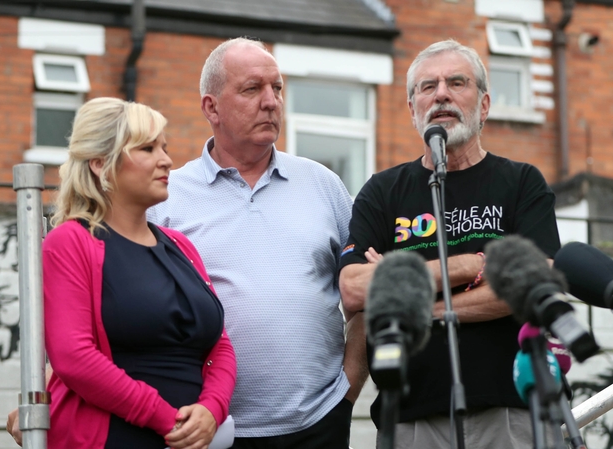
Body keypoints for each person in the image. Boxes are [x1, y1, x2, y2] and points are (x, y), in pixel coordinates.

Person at [338, 39, 561, 448]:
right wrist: (470, 267)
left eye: (456, 82)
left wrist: (414, 302)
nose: (441, 94)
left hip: (509, 412)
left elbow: (532, 286)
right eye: (427, 87)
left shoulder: (521, 183)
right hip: (410, 416)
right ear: (412, 109)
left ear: (485, 104)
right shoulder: (383, 192)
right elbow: (354, 288)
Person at [146, 37, 367, 448]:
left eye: (277, 88)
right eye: (252, 89)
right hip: (207, 430)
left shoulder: (324, 185)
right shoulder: (165, 197)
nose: (271, 102)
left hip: (318, 425)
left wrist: (347, 390)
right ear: (211, 107)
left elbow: (366, 290)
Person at [37, 97, 236, 449]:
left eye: (164, 146)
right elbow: (74, 357)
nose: (167, 160)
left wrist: (212, 408)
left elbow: (220, 343)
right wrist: (166, 419)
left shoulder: (180, 245)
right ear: (100, 163)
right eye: (147, 148)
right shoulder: (70, 241)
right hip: (115, 438)